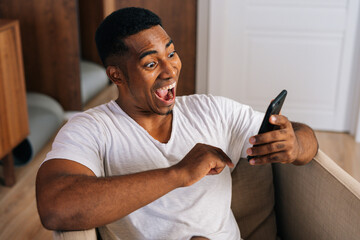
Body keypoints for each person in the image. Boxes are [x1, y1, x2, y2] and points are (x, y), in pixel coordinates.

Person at [36, 7, 318, 240]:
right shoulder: (91, 129)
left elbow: (306, 137)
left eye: (171, 53)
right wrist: (178, 174)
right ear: (117, 75)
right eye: (150, 64)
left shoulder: (211, 110)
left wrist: (295, 144)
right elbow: (55, 206)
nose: (170, 70)